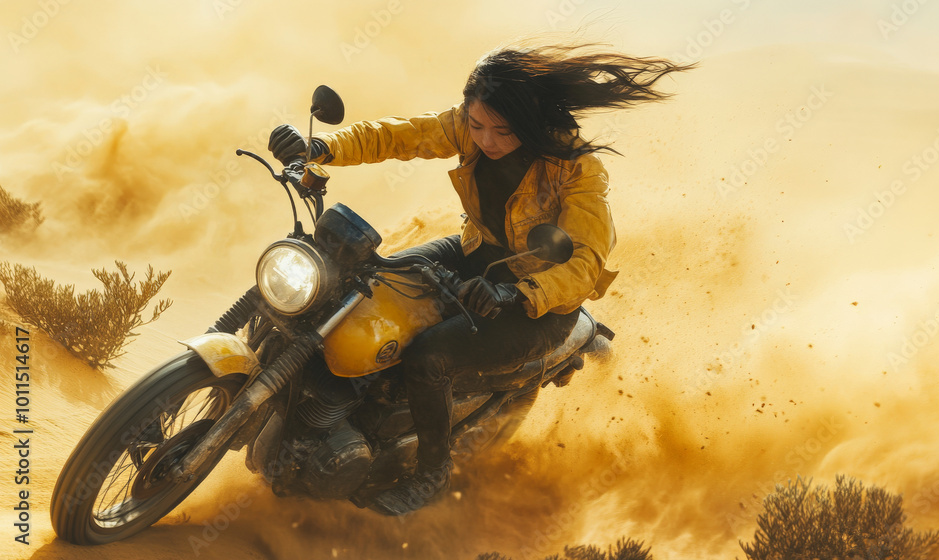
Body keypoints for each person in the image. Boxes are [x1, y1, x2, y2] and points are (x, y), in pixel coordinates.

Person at [268, 44, 690, 515]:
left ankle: (431, 471)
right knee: (361, 287)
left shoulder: (578, 170)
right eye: (476, 125)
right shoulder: (467, 127)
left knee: (430, 358)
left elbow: (585, 263)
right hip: (474, 255)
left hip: (537, 303)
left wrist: (517, 292)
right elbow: (401, 136)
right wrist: (323, 149)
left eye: (502, 131)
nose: (486, 140)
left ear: (529, 124)